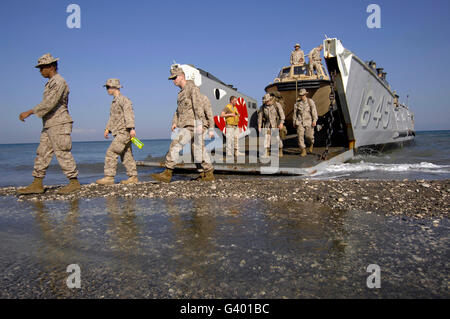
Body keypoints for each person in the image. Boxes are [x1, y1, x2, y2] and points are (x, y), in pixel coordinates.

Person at [17, 53, 80, 195]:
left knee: (62, 152)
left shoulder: (59, 82)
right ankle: (37, 183)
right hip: (50, 123)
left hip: (60, 123)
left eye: (42, 68)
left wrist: (30, 111)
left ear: (50, 67)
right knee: (42, 152)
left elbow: (50, 102)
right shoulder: (51, 83)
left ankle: (74, 182)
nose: (40, 71)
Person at [151, 65, 215, 183]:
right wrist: (174, 122)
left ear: (181, 76)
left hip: (193, 125)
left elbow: (198, 107)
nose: (173, 81)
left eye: (175, 78)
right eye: (172, 78)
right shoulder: (180, 94)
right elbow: (178, 110)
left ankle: (167, 173)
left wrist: (201, 124)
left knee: (176, 144)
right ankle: (206, 173)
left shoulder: (192, 88)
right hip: (186, 124)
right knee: (196, 150)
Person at [96, 79, 139, 185]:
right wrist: (108, 129)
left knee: (111, 152)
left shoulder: (124, 100)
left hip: (124, 132)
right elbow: (112, 118)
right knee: (126, 155)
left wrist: (132, 128)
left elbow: (129, 114)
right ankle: (133, 177)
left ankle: (109, 177)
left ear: (113, 87)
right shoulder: (114, 102)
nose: (107, 90)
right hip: (119, 132)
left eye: (107, 87)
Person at [293, 89, 318, 157]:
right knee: (300, 136)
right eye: (301, 95)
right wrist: (294, 122)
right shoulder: (297, 103)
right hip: (300, 121)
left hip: (308, 121)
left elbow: (314, 111)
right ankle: (303, 150)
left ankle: (311, 144)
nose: (302, 96)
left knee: (309, 136)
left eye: (303, 95)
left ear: (305, 95)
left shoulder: (310, 102)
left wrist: (314, 120)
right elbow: (295, 113)